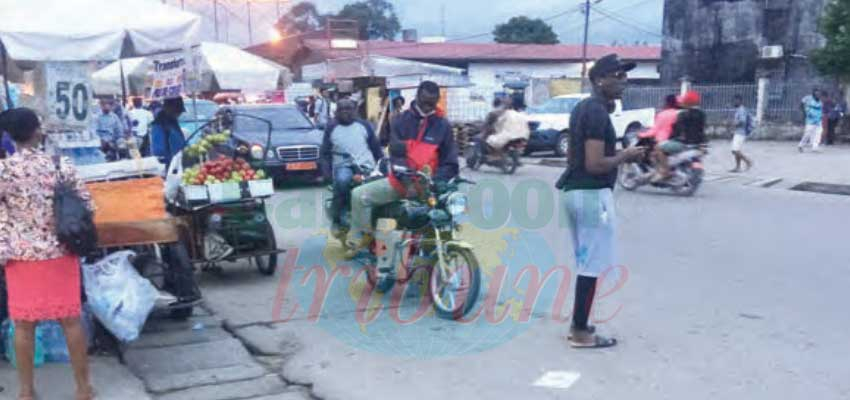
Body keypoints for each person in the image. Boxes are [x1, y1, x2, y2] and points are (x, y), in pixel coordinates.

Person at [0, 108, 95, 400]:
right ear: (36, 131)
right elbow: (88, 207)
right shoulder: (59, 166)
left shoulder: (4, 171)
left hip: (21, 257)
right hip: (60, 253)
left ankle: (26, 392)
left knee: (24, 327)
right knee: (70, 321)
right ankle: (82, 389)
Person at [555, 54, 645, 349]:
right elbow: (594, 164)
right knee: (591, 265)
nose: (623, 81)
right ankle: (580, 331)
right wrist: (626, 156)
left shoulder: (585, 108)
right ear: (598, 80)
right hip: (590, 193)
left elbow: (575, 157)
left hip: (576, 192)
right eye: (616, 76)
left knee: (586, 263)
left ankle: (579, 324)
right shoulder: (595, 112)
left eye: (624, 75)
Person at [345, 81, 459, 257]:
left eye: (433, 102)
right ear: (417, 97)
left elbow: (450, 161)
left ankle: (436, 252)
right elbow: (397, 157)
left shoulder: (443, 126)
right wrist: (408, 183)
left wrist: (437, 182)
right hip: (400, 182)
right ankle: (363, 237)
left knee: (442, 218)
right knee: (359, 196)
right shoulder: (399, 121)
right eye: (425, 101)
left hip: (430, 186)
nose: (429, 106)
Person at [319, 99, 384, 236]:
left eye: (349, 109)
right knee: (342, 181)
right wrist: (326, 174)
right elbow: (325, 153)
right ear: (336, 112)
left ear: (355, 111)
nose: (345, 112)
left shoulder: (364, 125)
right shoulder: (332, 127)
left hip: (366, 164)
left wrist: (383, 165)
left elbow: (375, 147)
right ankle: (337, 218)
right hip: (344, 166)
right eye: (342, 109)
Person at [485, 93, 530, 157]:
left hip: (508, 135)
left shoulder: (503, 113)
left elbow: (498, 124)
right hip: (523, 135)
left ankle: (495, 156)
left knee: (491, 140)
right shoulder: (522, 114)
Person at [150, 97, 187, 168]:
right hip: (169, 166)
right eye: (177, 111)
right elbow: (159, 151)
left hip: (179, 162)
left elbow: (181, 141)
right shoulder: (159, 125)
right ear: (170, 110)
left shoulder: (173, 122)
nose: (179, 114)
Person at [730, 95, 754, 172]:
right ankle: (737, 167)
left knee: (735, 151)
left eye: (735, 100)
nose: (734, 102)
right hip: (738, 132)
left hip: (740, 133)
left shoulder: (741, 110)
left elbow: (742, 121)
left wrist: (734, 124)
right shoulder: (739, 110)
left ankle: (748, 161)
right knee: (737, 150)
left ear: (739, 101)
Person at [799, 88, 823, 152]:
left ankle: (815, 147)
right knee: (807, 134)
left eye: (819, 93)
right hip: (810, 120)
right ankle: (801, 145)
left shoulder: (820, 101)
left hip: (818, 120)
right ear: (813, 93)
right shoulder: (808, 99)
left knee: (818, 134)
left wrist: (821, 116)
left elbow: (820, 110)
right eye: (816, 93)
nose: (818, 94)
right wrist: (804, 113)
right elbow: (802, 105)